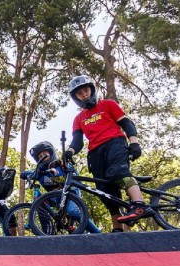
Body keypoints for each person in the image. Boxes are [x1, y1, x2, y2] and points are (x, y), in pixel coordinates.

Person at [62, 75, 150, 232]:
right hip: (95, 153)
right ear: (76, 97)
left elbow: (126, 123)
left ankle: (139, 204)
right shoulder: (79, 118)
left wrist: (134, 142)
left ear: (92, 90)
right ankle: (118, 229)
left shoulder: (108, 104)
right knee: (105, 191)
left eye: (86, 90)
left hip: (114, 144)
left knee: (118, 172)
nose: (84, 95)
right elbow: (78, 141)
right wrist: (70, 151)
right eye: (79, 93)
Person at [22, 141, 101, 234]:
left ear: (51, 153)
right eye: (39, 156)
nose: (42, 157)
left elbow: (74, 176)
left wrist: (57, 172)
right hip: (55, 198)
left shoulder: (62, 164)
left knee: (72, 211)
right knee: (39, 201)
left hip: (70, 194)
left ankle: (97, 232)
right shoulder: (40, 171)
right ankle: (46, 232)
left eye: (44, 154)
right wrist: (28, 174)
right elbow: (29, 174)